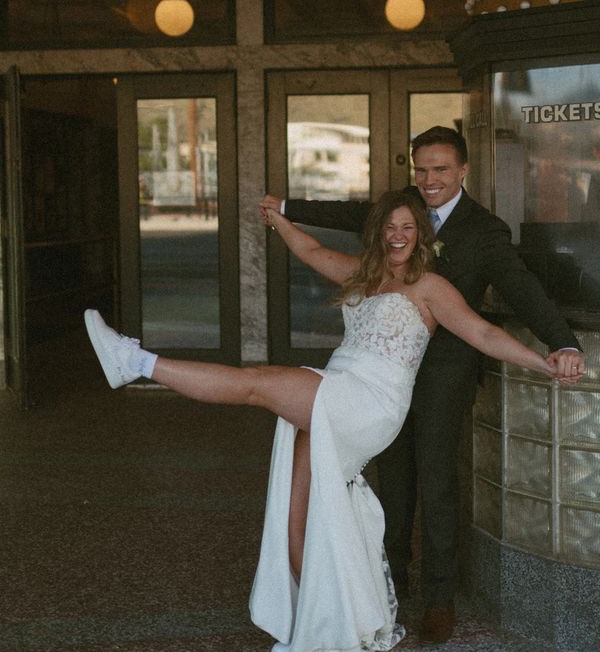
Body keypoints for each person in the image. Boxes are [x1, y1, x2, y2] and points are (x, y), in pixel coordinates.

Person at [84, 190, 583, 652]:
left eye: (407, 226)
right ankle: (321, 627)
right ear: (379, 232)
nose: (397, 235)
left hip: (370, 401)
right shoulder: (365, 276)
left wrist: (546, 361)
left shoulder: (429, 287)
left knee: (256, 382)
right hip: (336, 387)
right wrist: (279, 220)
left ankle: (135, 362)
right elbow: (312, 252)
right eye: (389, 226)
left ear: (420, 234)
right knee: (295, 519)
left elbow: (482, 334)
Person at [260, 125, 584, 645]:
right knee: (394, 475)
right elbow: (349, 214)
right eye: (421, 169)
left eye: (440, 170)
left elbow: (523, 290)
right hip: (381, 372)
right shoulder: (401, 209)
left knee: (435, 479)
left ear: (462, 172)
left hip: (443, 372)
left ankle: (439, 599)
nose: (429, 180)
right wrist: (289, 205)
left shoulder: (485, 229)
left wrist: (563, 342)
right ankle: (388, 575)